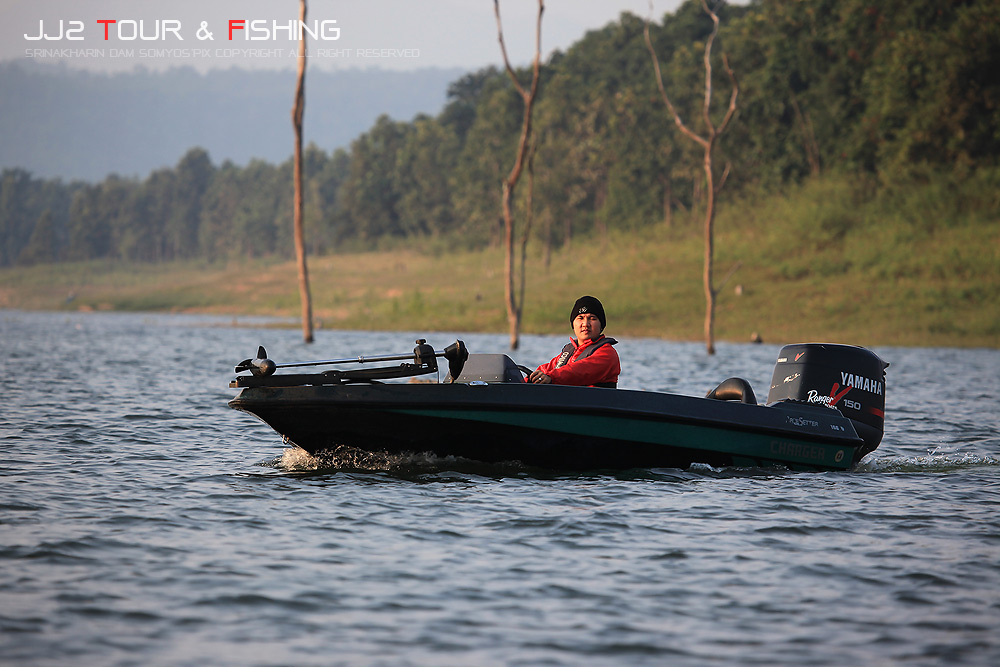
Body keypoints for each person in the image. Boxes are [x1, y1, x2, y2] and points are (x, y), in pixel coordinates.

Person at [529, 295, 620, 388]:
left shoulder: (607, 354)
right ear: (573, 324)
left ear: (601, 325)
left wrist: (551, 377)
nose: (585, 324)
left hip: (593, 401)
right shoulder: (569, 352)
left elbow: (581, 371)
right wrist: (528, 379)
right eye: (580, 318)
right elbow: (546, 369)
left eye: (592, 318)